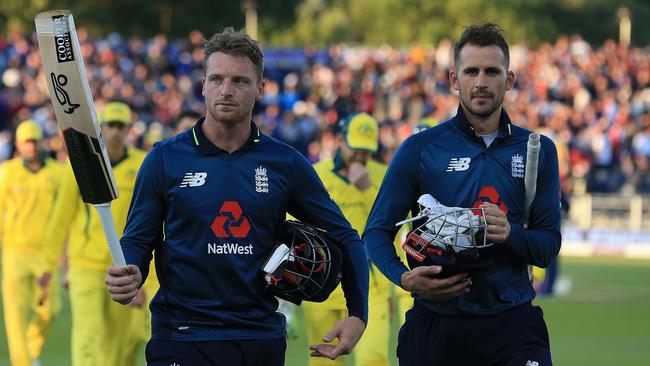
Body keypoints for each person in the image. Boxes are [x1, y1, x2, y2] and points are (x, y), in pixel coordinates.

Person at [104, 28, 368, 366]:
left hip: (259, 339)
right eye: (216, 79)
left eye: (239, 81)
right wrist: (130, 269)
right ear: (202, 85)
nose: (226, 90)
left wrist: (357, 313)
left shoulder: (284, 163)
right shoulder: (164, 159)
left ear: (260, 88)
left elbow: (345, 235)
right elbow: (138, 240)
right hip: (182, 336)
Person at [363, 23, 561, 366]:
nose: (481, 82)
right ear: (454, 79)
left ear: (509, 80)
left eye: (491, 72)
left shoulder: (537, 149)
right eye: (471, 71)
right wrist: (405, 278)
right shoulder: (420, 149)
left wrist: (510, 234)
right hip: (436, 327)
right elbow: (376, 232)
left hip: (512, 325)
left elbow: (547, 247)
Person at [39, 101, 156, 366]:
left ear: (128, 129)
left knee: (118, 342)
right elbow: (61, 217)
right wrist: (49, 264)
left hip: (124, 267)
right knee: (88, 337)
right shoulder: (82, 164)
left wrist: (148, 279)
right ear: (100, 128)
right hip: (85, 264)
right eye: (110, 125)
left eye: (120, 126)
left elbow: (154, 223)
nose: (115, 131)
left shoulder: (142, 165)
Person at [302, 113, 392, 366]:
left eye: (367, 151)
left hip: (370, 283)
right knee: (324, 361)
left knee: (374, 359)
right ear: (341, 140)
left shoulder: (383, 176)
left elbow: (392, 226)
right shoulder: (314, 174)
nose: (360, 156)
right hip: (322, 281)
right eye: (355, 148)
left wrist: (365, 188)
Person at [0, 120, 63, 366]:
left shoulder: (57, 173)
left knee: (50, 309)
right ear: (18, 144)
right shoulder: (7, 172)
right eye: (26, 142)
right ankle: (23, 363)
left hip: (46, 253)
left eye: (34, 141)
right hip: (14, 251)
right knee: (15, 316)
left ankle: (32, 348)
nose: (31, 147)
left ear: (41, 142)